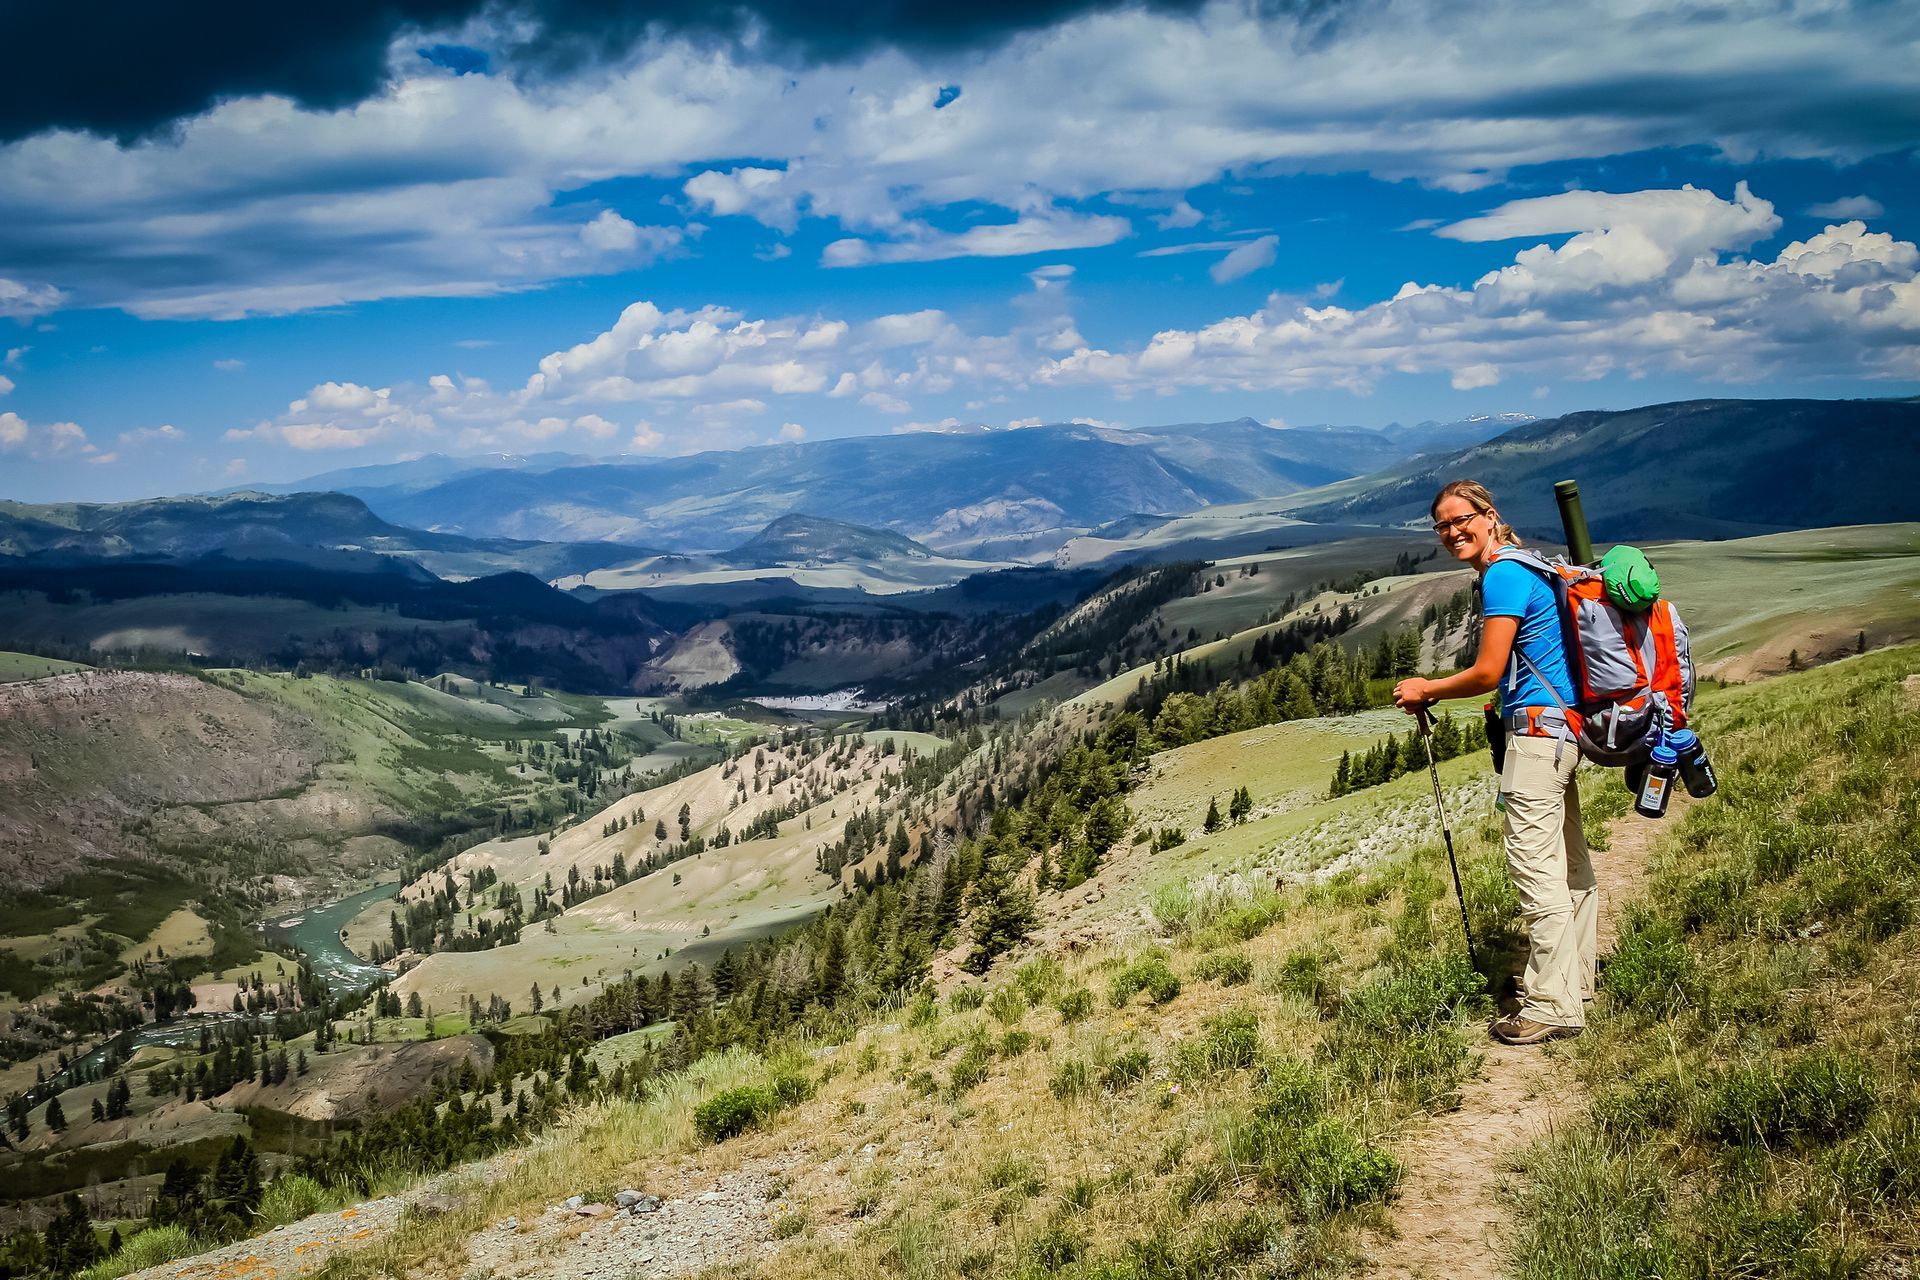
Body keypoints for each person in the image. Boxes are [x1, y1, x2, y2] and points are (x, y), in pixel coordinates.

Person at [1391, 480, 1593, 1045]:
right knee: (1570, 863)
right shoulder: (1532, 565)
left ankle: (1553, 1004)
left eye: (1462, 519)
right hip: (1563, 731)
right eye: (1442, 525)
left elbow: (1487, 671)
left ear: (1489, 516)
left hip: (1536, 738)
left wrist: (1426, 688)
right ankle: (1576, 981)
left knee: (1536, 868)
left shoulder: (1503, 574)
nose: (1453, 531)